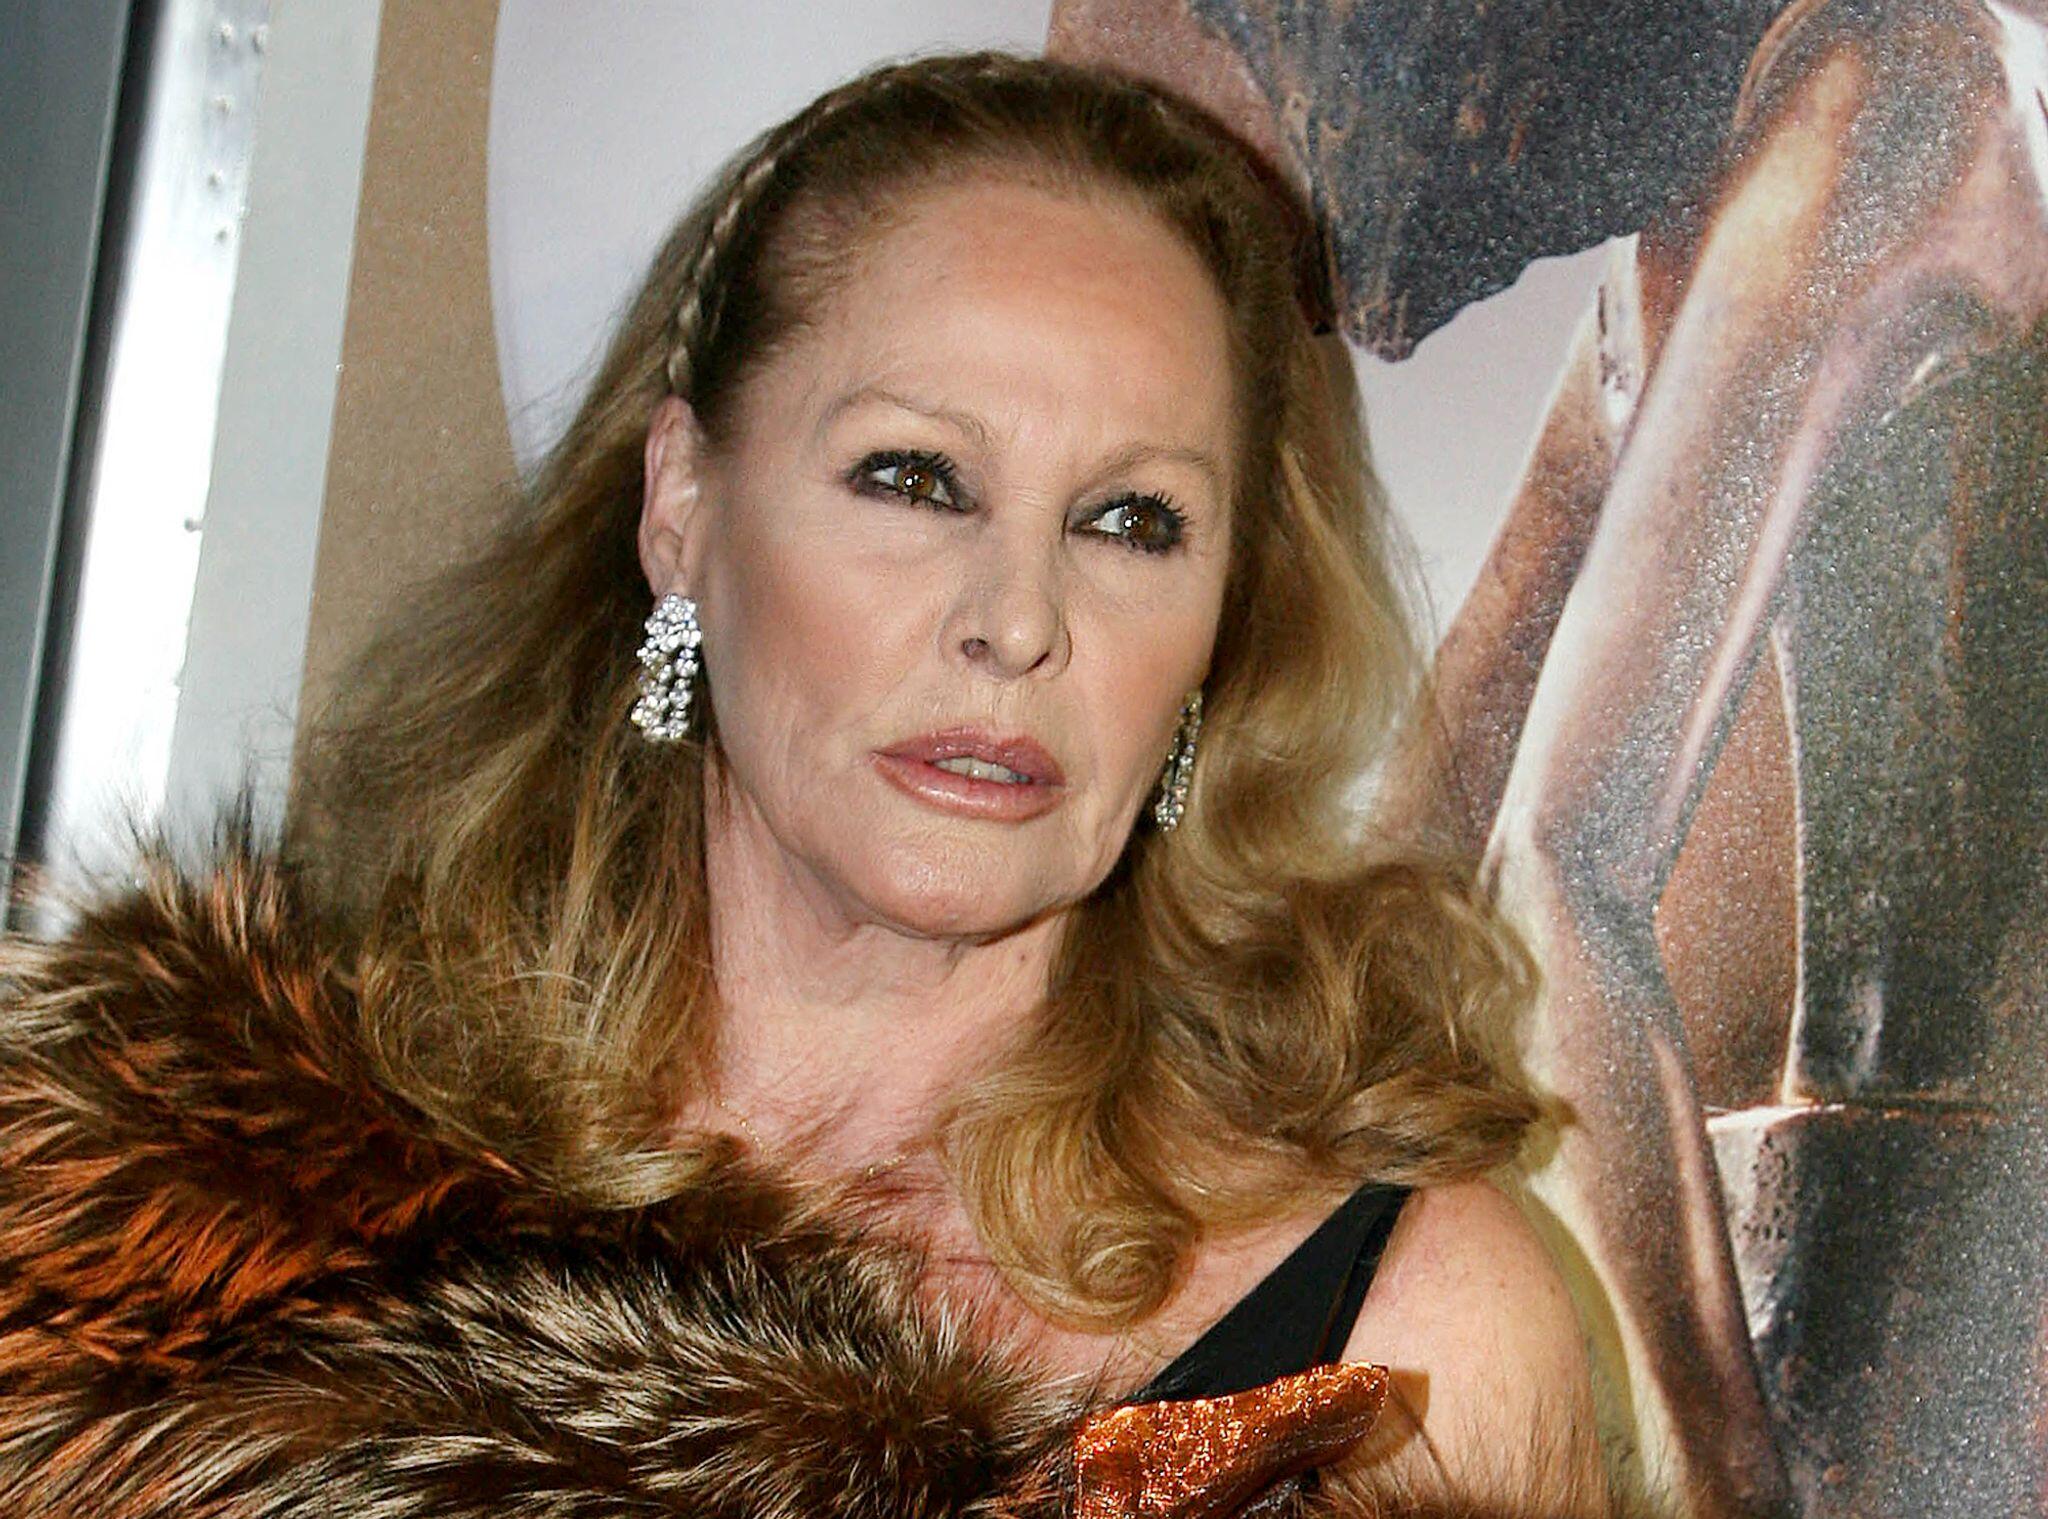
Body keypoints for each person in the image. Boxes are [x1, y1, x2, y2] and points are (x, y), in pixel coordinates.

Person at [0, 51, 1605, 1517]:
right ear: (681, 507)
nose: (1019, 623)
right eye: (915, 479)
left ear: (1224, 621)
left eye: (1131, 522)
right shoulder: (202, 1176)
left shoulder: (1408, 1341)